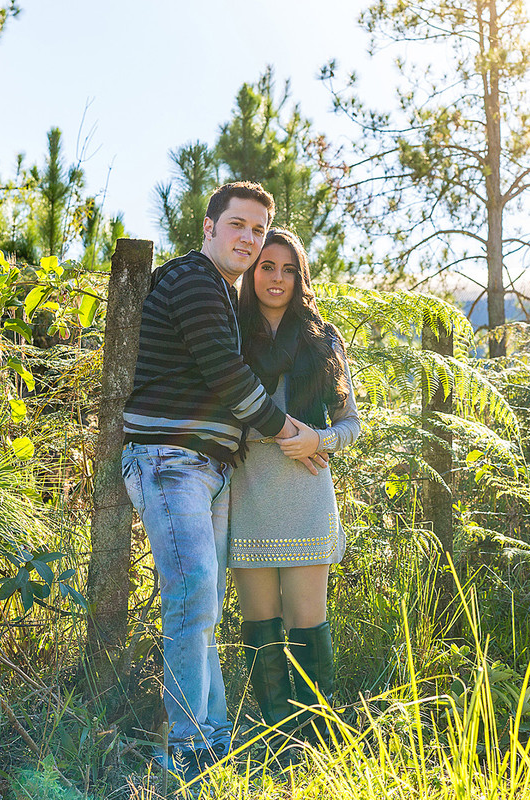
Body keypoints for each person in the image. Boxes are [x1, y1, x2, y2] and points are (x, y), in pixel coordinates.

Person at [119, 182, 322, 778]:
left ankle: (213, 735)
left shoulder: (223, 296)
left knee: (202, 601)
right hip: (169, 458)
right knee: (190, 598)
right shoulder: (194, 281)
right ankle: (185, 748)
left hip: (206, 468)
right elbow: (228, 377)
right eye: (238, 225)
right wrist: (291, 431)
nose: (249, 239)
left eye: (258, 231)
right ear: (209, 227)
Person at [226, 228, 362, 744]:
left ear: (300, 276)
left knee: (308, 623)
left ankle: (318, 741)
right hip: (247, 490)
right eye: (266, 266)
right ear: (251, 273)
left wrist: (318, 440)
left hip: (306, 494)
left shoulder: (322, 338)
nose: (276, 278)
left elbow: (352, 423)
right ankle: (278, 737)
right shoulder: (231, 334)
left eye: (288, 269)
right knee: (261, 626)